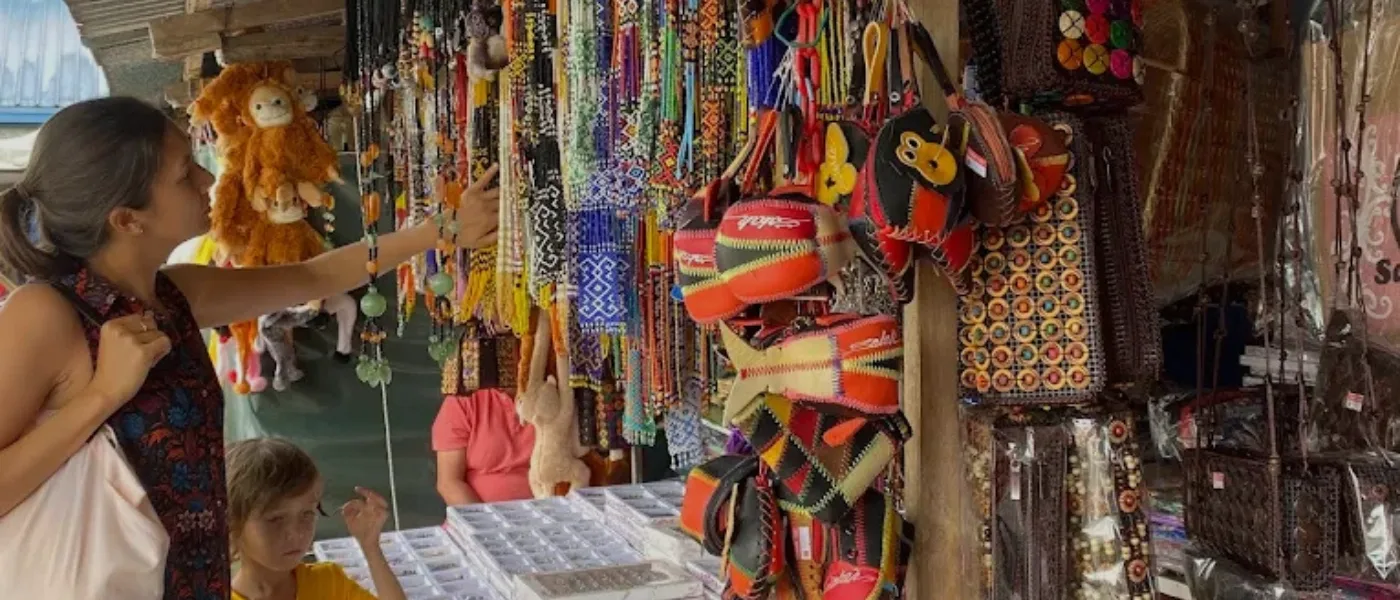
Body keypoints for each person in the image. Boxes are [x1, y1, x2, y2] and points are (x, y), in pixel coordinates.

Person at [0, 97, 499, 599]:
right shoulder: (46, 313)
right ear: (128, 219)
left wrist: (444, 231)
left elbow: (313, 275)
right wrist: (102, 396)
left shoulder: (174, 296)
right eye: (183, 173)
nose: (207, 180)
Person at [226, 438, 404, 600]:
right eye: (275, 519)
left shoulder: (328, 582)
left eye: (307, 514)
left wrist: (370, 546)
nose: (295, 533)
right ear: (231, 523)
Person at [432, 388, 536, 504]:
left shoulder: (552, 397)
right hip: (477, 515)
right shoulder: (463, 400)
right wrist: (482, 519)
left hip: (547, 512)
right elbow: (449, 483)